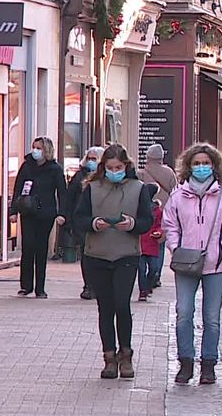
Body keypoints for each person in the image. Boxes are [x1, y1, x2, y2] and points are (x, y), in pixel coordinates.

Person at [162, 143, 222, 385]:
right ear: (188, 166)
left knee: (212, 317)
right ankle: (185, 362)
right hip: (186, 263)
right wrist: (176, 248)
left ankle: (208, 364)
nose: (201, 168)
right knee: (184, 313)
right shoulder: (178, 195)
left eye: (206, 163)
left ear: (214, 166)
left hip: (216, 266)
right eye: (196, 164)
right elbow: (170, 225)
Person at [74, 145, 154, 379]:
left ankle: (126, 355)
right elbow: (78, 218)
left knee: (122, 303)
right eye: (109, 168)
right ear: (103, 168)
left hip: (126, 254)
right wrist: (93, 223)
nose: (114, 172)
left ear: (126, 166)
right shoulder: (92, 188)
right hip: (97, 253)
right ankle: (109, 357)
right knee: (105, 308)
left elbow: (146, 221)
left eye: (118, 167)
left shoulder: (138, 189)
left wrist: (132, 225)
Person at [9, 137, 68, 298]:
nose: (35, 151)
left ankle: (40, 287)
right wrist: (13, 211)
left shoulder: (54, 169)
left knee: (41, 248)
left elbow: (62, 192)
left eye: (39, 148)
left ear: (47, 150)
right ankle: (25, 285)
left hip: (46, 213)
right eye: (34, 147)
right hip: (27, 211)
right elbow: (18, 189)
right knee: (28, 246)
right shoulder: (26, 167)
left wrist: (62, 213)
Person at [65, 146, 104, 299]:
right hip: (82, 221)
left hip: (100, 222)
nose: (91, 161)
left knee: (98, 256)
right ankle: (88, 285)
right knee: (85, 255)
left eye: (94, 158)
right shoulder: (79, 177)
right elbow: (70, 198)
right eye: (89, 158)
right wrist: (68, 218)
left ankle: (98, 285)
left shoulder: (103, 178)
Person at [138, 144, 178, 289]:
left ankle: (144, 274)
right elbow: (175, 191)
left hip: (145, 211)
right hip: (165, 213)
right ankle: (156, 276)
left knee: (145, 242)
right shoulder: (169, 172)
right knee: (159, 244)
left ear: (148, 156)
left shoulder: (141, 173)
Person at [138, 184, 164, 302]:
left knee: (153, 268)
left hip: (151, 241)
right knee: (142, 269)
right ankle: (143, 291)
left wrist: (158, 232)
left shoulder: (157, 210)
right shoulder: (138, 208)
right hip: (140, 242)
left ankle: (147, 287)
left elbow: (160, 224)